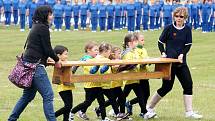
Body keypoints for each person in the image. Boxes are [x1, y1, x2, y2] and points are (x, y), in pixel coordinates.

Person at [147, 7, 203, 119]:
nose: (178, 18)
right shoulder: (168, 28)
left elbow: (188, 45)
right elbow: (160, 42)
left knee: (188, 85)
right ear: (174, 16)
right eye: (176, 16)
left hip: (181, 63)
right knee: (167, 87)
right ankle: (149, 107)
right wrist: (163, 53)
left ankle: (189, 112)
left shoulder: (187, 29)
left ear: (185, 18)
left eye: (181, 17)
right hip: (169, 64)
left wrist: (182, 54)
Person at [8, 5, 61, 121]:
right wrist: (57, 60)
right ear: (44, 15)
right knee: (48, 95)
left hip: (29, 64)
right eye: (50, 14)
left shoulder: (36, 26)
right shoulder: (42, 28)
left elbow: (37, 48)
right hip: (35, 67)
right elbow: (47, 48)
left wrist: (47, 59)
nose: (52, 16)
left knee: (27, 96)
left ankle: (11, 119)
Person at [125, 33, 151, 117]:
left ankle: (142, 111)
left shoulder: (143, 49)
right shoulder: (134, 51)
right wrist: (143, 63)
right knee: (141, 95)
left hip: (144, 75)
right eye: (141, 40)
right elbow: (136, 62)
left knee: (145, 94)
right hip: (137, 76)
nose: (143, 42)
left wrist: (148, 62)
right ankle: (144, 112)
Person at [53, 45, 75, 121]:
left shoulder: (65, 62)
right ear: (59, 56)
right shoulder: (59, 63)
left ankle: (65, 119)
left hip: (68, 86)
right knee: (68, 106)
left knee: (69, 105)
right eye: (65, 54)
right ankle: (53, 115)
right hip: (63, 87)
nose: (67, 56)